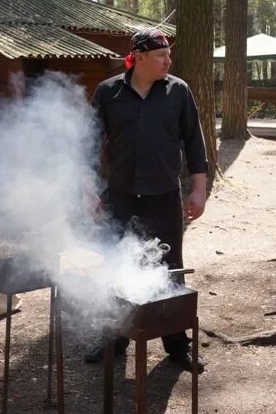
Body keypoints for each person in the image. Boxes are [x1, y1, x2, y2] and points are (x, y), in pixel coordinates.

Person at [86, 28, 208, 372]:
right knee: (115, 267)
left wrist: (198, 190)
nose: (168, 61)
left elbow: (194, 144)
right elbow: (89, 142)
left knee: (169, 271)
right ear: (138, 57)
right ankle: (115, 338)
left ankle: (176, 344)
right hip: (120, 196)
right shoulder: (108, 92)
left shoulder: (178, 91)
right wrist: (87, 188)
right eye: (160, 56)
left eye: (168, 54)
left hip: (164, 197)